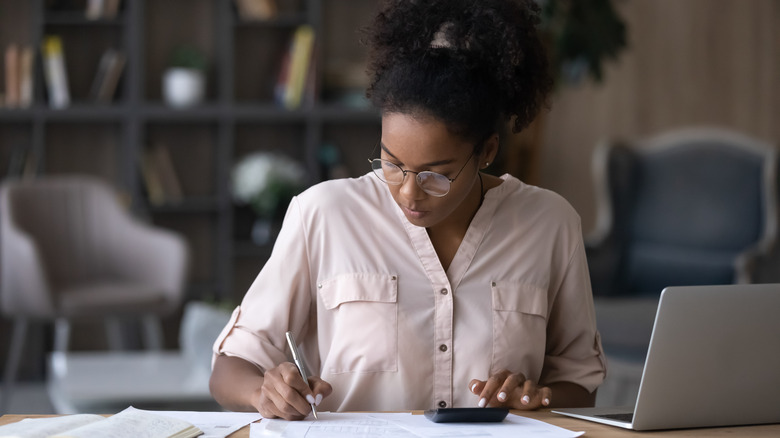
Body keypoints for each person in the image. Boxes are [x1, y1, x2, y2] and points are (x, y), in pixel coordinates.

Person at [210, 0, 606, 420]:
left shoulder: (551, 224)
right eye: (392, 164)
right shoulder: (323, 215)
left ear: (486, 151)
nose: (408, 193)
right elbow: (229, 368)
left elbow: (580, 384)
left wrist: (534, 396)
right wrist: (263, 392)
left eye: (436, 175)